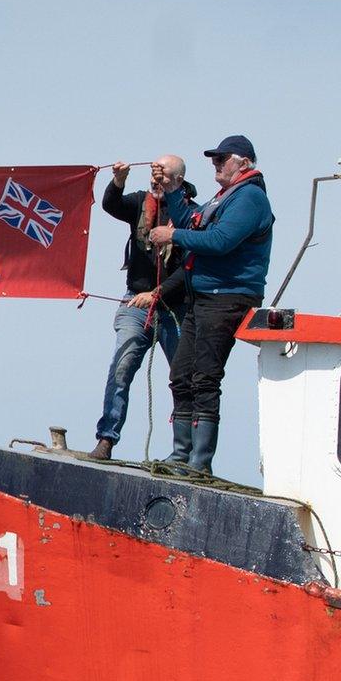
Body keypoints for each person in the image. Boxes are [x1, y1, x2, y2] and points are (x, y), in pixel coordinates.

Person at [148, 135, 273, 474]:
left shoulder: (250, 198)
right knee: (182, 374)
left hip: (227, 297)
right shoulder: (226, 197)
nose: (216, 164)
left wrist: (171, 236)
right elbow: (192, 221)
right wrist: (173, 189)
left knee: (204, 377)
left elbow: (220, 242)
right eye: (214, 160)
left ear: (243, 162)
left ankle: (199, 463)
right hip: (204, 297)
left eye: (222, 159)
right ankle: (181, 456)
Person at [90, 156, 197, 459]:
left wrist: (158, 292)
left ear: (177, 180)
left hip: (176, 308)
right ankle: (106, 439)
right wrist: (118, 181)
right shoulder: (140, 202)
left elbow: (189, 267)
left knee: (183, 378)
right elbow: (111, 205)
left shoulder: (192, 215)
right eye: (153, 177)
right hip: (135, 302)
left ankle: (183, 454)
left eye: (162, 177)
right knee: (121, 366)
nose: (156, 183)